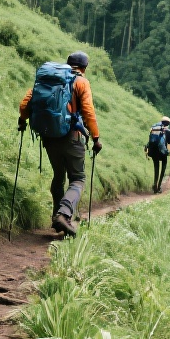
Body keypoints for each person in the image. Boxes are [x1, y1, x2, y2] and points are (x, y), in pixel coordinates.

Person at [19, 51, 101, 237]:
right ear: (84, 67)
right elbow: (88, 111)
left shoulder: (50, 79)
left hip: (49, 137)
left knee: (58, 176)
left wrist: (22, 121)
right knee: (78, 178)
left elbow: (25, 104)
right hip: (71, 136)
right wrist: (96, 138)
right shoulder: (81, 82)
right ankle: (63, 215)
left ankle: (57, 219)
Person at [144, 116, 170, 193]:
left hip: (154, 151)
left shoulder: (154, 129)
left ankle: (155, 184)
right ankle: (159, 186)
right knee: (163, 169)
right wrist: (169, 152)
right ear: (168, 123)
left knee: (156, 168)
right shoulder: (168, 131)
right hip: (163, 152)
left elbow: (150, 140)